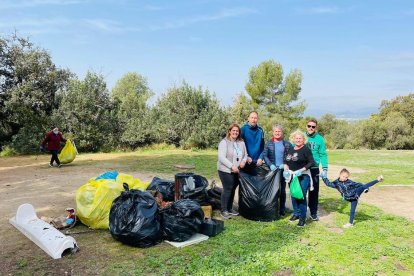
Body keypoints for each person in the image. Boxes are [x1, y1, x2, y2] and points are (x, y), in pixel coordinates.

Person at [283, 130, 314, 227]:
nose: (298, 140)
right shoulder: (291, 149)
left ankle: (302, 218)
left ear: (303, 139)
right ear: (293, 139)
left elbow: (311, 162)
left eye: (300, 138)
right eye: (296, 138)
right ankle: (296, 213)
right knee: (293, 194)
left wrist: (302, 169)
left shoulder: (306, 149)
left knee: (300, 196)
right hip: (292, 176)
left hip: (303, 176)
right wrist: (285, 166)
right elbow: (286, 160)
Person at [217, 123, 248, 219]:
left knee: (233, 188)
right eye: (233, 130)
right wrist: (231, 166)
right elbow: (221, 157)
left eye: (237, 131)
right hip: (225, 170)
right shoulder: (224, 142)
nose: (235, 132)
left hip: (237, 170)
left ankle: (230, 208)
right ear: (229, 131)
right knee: (228, 188)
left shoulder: (241, 143)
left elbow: (245, 154)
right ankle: (224, 210)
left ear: (239, 133)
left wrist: (243, 161)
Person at [263, 125, 291, 216]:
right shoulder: (269, 143)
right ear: (273, 132)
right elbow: (265, 155)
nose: (277, 133)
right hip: (273, 170)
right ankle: (273, 207)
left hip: (283, 170)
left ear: (282, 133)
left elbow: (290, 156)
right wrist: (270, 165)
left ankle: (282, 209)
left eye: (279, 131)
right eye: (276, 131)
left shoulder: (287, 144)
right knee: (273, 190)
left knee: (282, 190)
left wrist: (286, 164)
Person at [305, 119, 328, 221]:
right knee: (301, 191)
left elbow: (323, 154)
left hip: (314, 169)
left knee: (313, 192)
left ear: (316, 128)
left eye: (313, 127)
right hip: (303, 168)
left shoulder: (320, 139)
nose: (311, 128)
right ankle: (299, 212)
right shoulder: (302, 137)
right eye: (309, 126)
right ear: (306, 126)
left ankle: (313, 213)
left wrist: (325, 168)